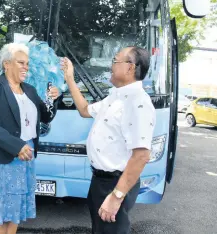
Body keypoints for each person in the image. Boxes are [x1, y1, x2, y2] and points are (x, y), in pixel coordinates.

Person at [61, 46, 155, 234]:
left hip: (115, 184)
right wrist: (70, 78)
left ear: (130, 67)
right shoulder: (116, 96)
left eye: (115, 61)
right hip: (101, 181)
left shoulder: (138, 103)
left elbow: (141, 156)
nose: (110, 66)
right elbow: (85, 110)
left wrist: (116, 196)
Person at [0, 43, 61, 234]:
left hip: (25, 158)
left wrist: (54, 98)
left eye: (27, 63)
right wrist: (16, 146)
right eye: (21, 62)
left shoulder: (30, 90)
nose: (26, 67)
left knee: (14, 213)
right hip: (0, 159)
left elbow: (46, 116)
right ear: (7, 64)